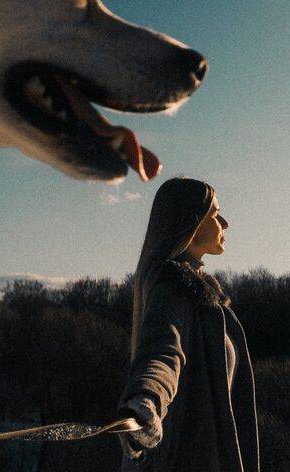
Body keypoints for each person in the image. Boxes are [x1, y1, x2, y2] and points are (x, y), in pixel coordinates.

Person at [118, 177, 259, 471]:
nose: (225, 223)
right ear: (191, 224)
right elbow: (163, 353)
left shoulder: (199, 295)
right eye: (215, 214)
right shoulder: (172, 289)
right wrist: (147, 400)